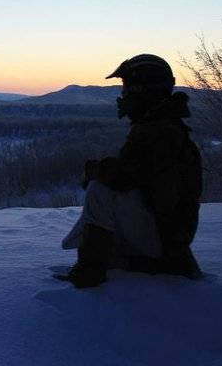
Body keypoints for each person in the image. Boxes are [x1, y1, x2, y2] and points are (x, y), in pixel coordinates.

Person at [58, 54, 203, 288]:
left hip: (164, 242)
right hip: (168, 238)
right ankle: (113, 259)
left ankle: (89, 273)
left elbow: (125, 179)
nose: (123, 95)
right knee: (103, 186)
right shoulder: (160, 125)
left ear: (143, 89)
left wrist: (97, 170)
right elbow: (139, 177)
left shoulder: (161, 130)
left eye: (127, 88)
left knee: (99, 190)